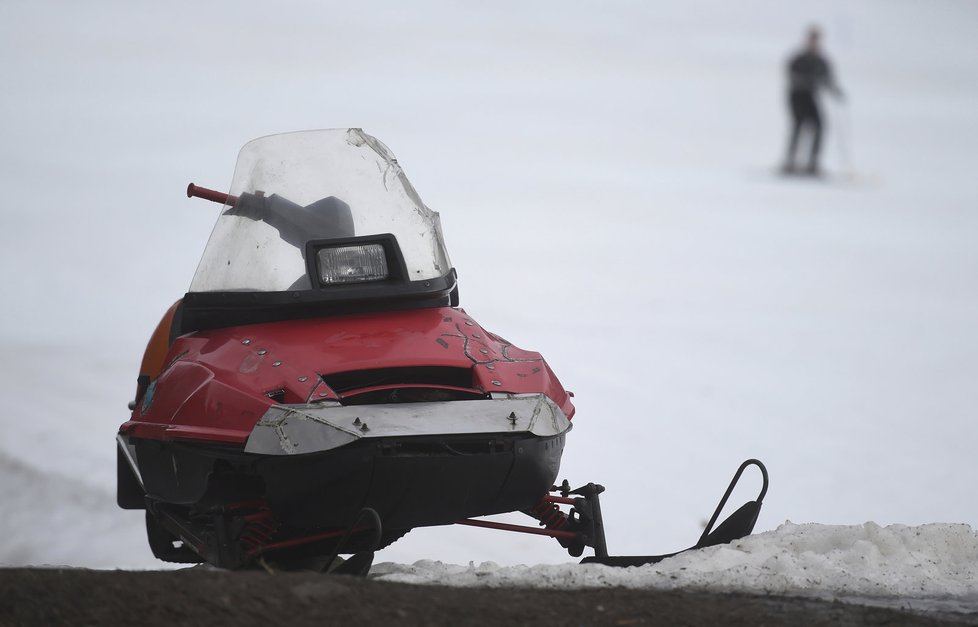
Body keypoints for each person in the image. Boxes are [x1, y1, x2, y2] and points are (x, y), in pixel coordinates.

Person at [783, 26, 844, 176]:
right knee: (798, 126)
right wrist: (809, 80)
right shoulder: (799, 58)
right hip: (797, 96)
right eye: (812, 39)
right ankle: (790, 162)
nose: (814, 42)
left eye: (816, 39)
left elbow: (828, 79)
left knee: (819, 126)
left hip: (811, 97)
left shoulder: (821, 60)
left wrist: (835, 91)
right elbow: (791, 75)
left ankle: (813, 163)